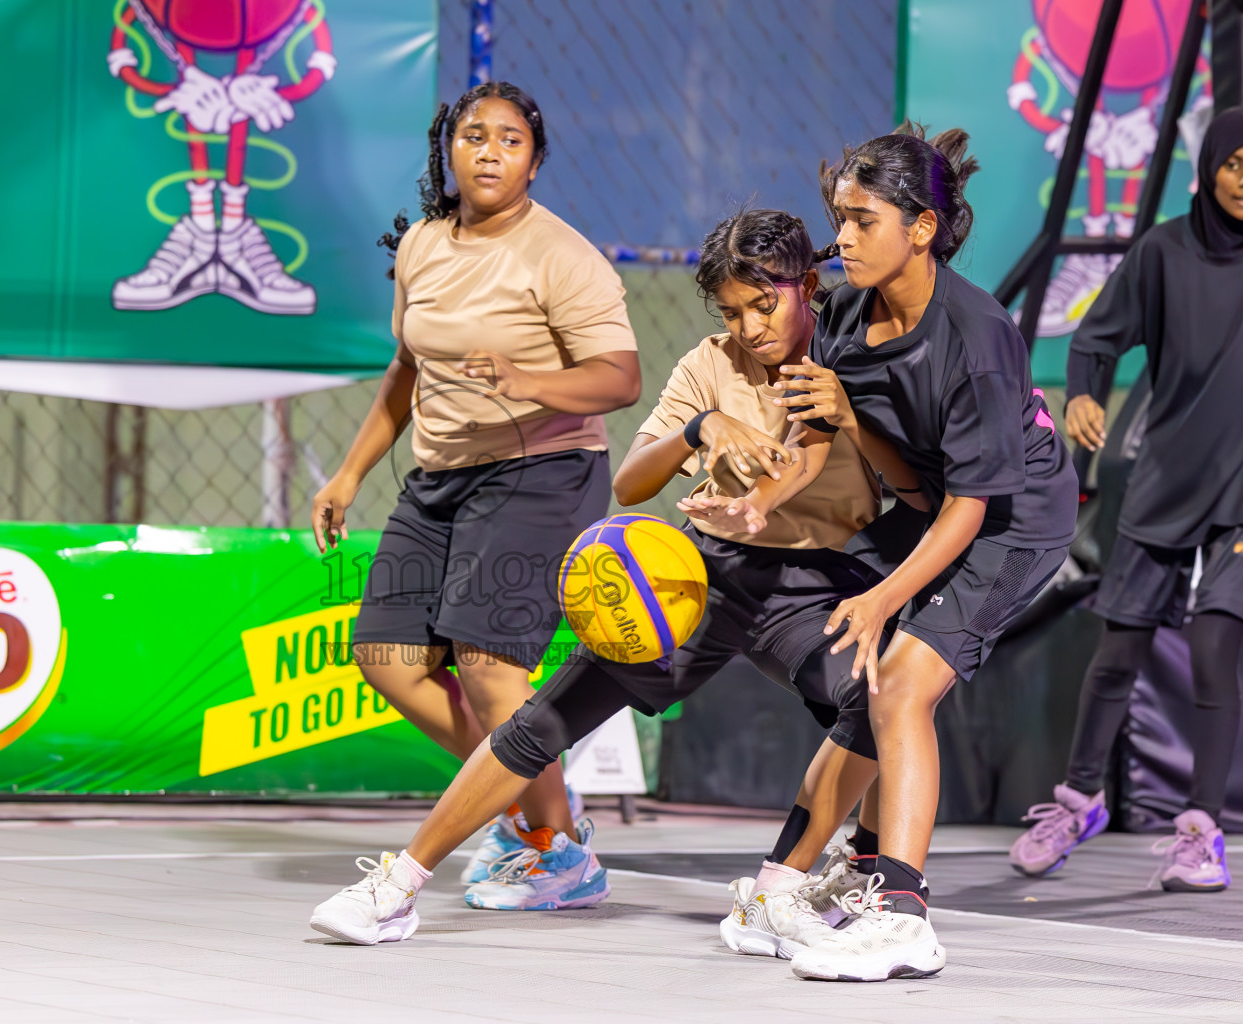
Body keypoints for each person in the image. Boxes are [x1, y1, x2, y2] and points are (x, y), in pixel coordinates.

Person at [309, 208, 927, 954]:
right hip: (703, 578)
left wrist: (812, 457)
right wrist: (699, 430)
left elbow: (880, 479)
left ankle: (796, 885)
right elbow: (633, 483)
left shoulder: (850, 361)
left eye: (764, 304)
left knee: (881, 694)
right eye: (733, 311)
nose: (751, 326)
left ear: (807, 284)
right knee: (541, 721)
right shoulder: (709, 363)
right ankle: (397, 885)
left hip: (815, 584)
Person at [309, 81, 642, 910]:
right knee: (386, 658)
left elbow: (622, 378)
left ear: (533, 162)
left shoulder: (561, 255)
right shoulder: (423, 243)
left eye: (510, 140)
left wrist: (528, 378)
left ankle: (558, 849)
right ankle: (520, 800)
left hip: (544, 468)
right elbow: (405, 368)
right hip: (441, 475)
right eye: (473, 136)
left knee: (493, 668)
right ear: (447, 149)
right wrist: (348, 474)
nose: (489, 151)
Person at [771, 124, 1079, 981]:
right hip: (927, 500)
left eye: (863, 220)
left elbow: (970, 509)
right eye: (839, 217)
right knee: (867, 691)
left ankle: (902, 917)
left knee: (901, 680)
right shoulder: (839, 314)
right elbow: (894, 472)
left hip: (1015, 520)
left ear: (922, 228)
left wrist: (877, 601)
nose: (842, 237)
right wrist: (758, 494)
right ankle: (786, 887)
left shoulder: (977, 339)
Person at [1008, 107, 1243, 892]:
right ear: (1210, 166)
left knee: (1215, 650)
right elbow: (1095, 338)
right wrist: (1082, 396)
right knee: (1119, 653)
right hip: (1163, 477)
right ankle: (1078, 803)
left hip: (1241, 494)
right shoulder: (1166, 250)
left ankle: (1201, 832)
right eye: (1235, 162)